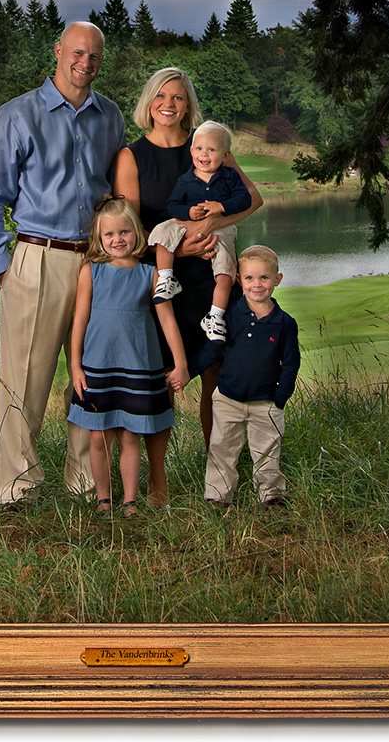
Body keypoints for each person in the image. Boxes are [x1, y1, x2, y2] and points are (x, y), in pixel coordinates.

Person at [0, 22, 126, 508]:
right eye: (78, 52)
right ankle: (17, 488)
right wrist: (4, 267)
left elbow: (118, 193)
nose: (86, 62)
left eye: (95, 56)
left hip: (97, 263)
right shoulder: (18, 114)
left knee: (94, 375)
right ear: (59, 51)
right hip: (38, 259)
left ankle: (84, 484)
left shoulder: (111, 116)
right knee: (25, 379)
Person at [112, 68, 263, 503]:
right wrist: (180, 252)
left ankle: (220, 478)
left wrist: (211, 228)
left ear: (188, 104)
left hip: (214, 280)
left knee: (219, 380)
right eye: (161, 95)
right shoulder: (131, 157)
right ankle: (157, 482)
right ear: (149, 101)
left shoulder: (208, 144)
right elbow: (129, 231)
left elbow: (253, 199)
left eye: (178, 97)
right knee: (161, 379)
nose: (169, 104)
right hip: (166, 282)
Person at [68, 196, 189, 516]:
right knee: (98, 437)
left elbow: (167, 320)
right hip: (98, 366)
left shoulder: (149, 274)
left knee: (130, 435)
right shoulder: (90, 271)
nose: (117, 239)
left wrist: (181, 364)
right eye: (109, 234)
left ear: (136, 233)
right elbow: (79, 319)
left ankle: (130, 500)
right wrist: (75, 365)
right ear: (98, 237)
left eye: (124, 232)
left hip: (137, 366)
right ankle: (103, 498)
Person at [189, 245, 300, 507]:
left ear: (277, 279)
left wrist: (280, 398)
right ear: (239, 280)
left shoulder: (284, 323)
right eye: (249, 278)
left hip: (266, 402)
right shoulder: (229, 315)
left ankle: (270, 496)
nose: (257, 285)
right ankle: (219, 497)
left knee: (267, 452)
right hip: (228, 398)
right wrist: (186, 373)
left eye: (264, 278)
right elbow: (213, 350)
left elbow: (291, 364)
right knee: (222, 450)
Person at [147, 120, 252, 341]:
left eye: (212, 150)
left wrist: (222, 207)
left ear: (225, 155)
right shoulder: (186, 180)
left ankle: (215, 316)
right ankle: (167, 278)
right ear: (192, 151)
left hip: (220, 227)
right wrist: (189, 212)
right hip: (186, 224)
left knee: (225, 273)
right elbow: (173, 205)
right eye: (199, 149)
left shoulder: (229, 177)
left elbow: (245, 199)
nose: (204, 155)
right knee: (162, 231)